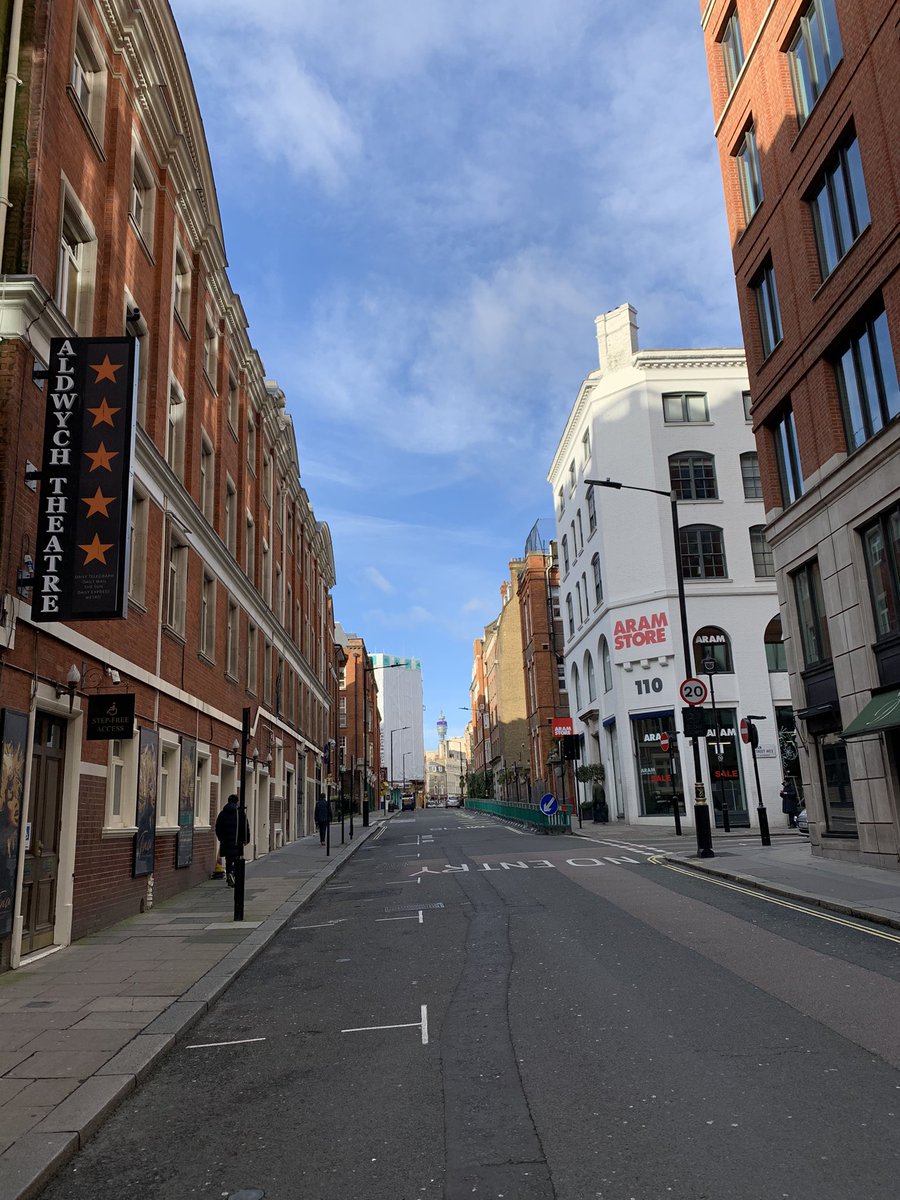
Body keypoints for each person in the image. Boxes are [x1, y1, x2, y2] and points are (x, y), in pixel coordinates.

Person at [215, 794, 249, 887]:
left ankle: (229, 873)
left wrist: (221, 838)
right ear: (237, 801)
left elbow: (218, 827)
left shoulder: (222, 813)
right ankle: (234, 875)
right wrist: (246, 839)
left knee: (228, 859)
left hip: (226, 842)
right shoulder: (240, 813)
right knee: (237, 859)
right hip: (237, 842)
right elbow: (245, 827)